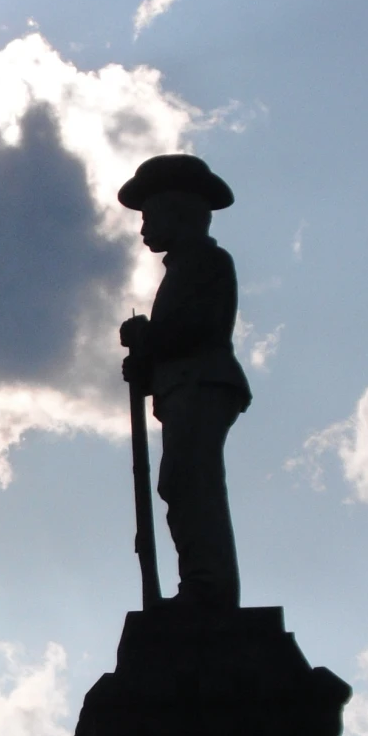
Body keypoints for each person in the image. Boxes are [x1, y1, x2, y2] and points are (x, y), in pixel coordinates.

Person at [116, 154, 250, 610]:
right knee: (182, 483)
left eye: (150, 216)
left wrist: (146, 339)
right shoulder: (183, 267)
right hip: (185, 387)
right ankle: (202, 582)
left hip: (203, 384)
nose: (143, 229)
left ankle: (209, 587)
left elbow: (199, 329)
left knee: (192, 482)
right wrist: (146, 368)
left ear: (177, 211)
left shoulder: (206, 262)